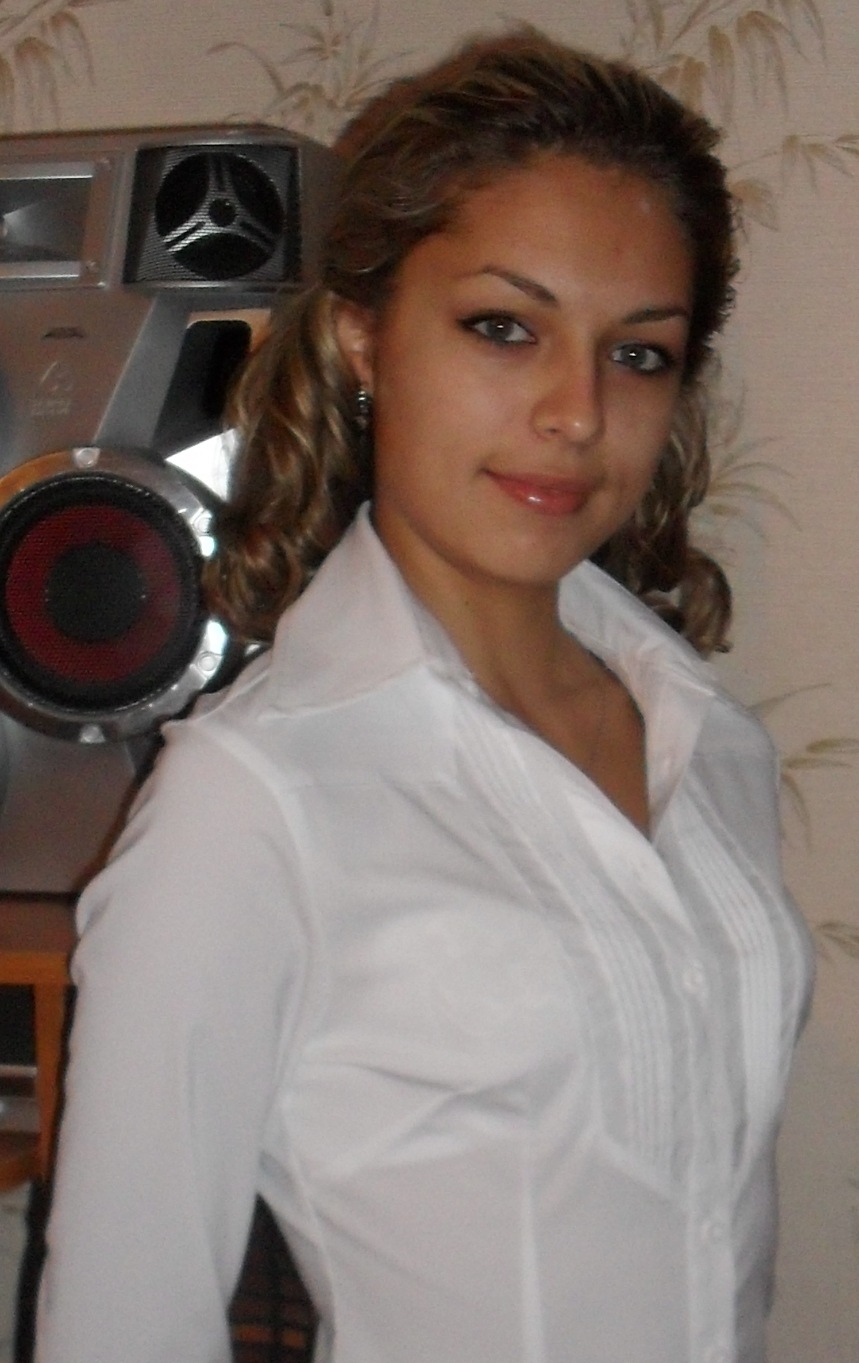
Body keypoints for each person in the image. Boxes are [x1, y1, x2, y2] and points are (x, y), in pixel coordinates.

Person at [36, 28, 814, 1363]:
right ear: (363, 338)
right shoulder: (255, 801)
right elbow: (121, 1327)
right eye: (504, 328)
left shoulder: (709, 739)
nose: (577, 412)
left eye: (637, 353)